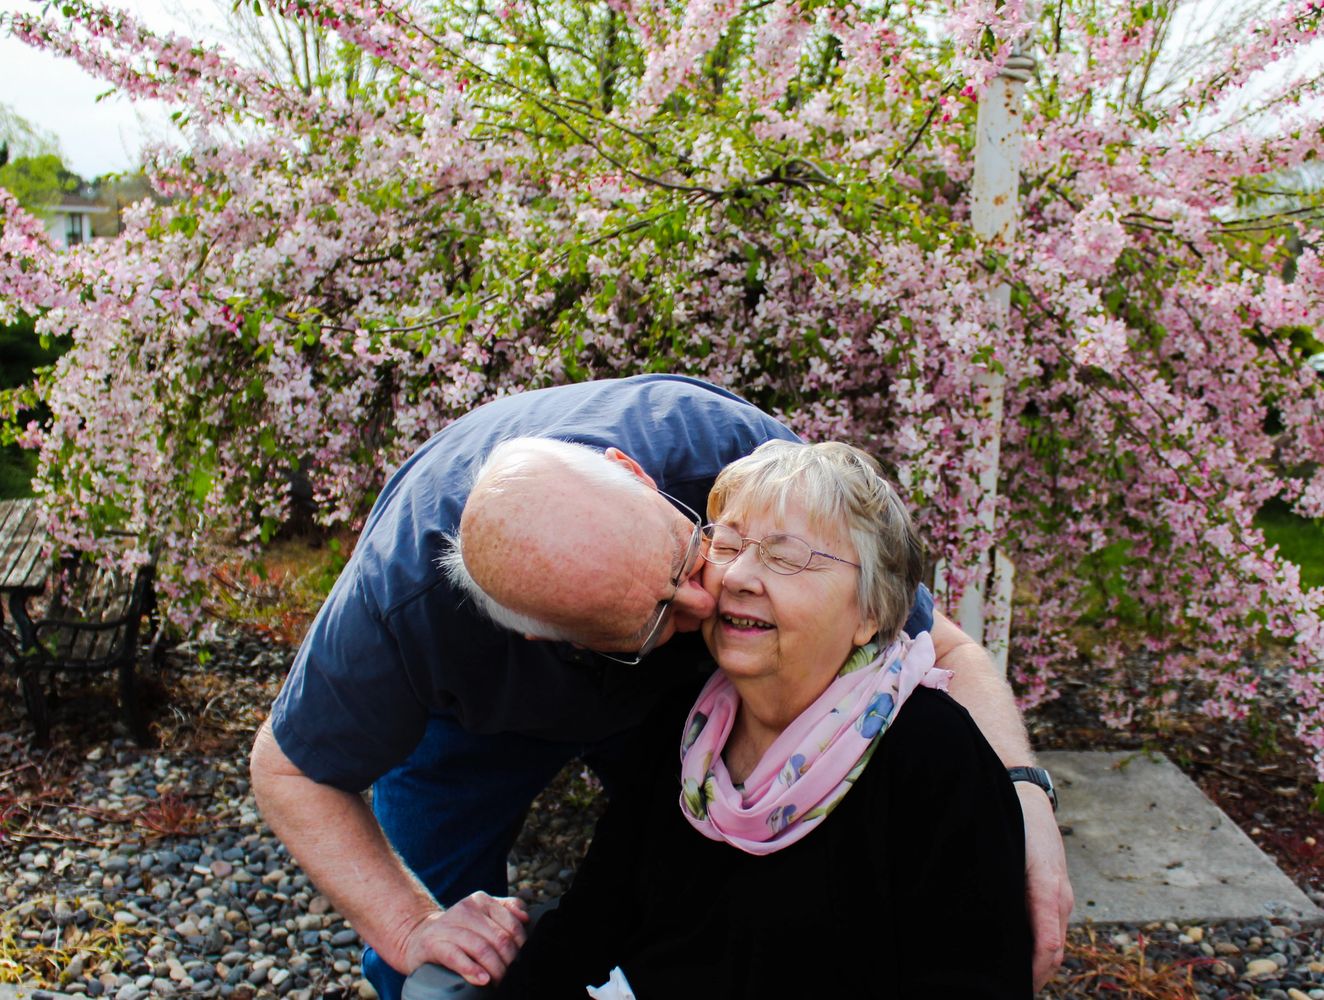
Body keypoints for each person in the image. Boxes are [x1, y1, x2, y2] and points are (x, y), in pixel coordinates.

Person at [248, 375, 1069, 1000]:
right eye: (657, 615)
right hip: (472, 725)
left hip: (683, 706)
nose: (712, 596)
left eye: (690, 555)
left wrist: (1024, 803)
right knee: (443, 954)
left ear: (633, 473)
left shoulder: (722, 456)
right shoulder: (401, 614)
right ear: (542, 634)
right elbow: (289, 770)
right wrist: (412, 923)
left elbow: (938, 644)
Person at [487, 440, 1032, 998]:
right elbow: (589, 922)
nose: (738, 576)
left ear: (870, 611)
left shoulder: (933, 753)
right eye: (726, 545)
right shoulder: (681, 726)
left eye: (786, 556)